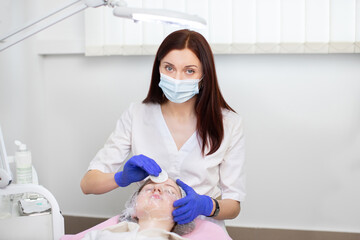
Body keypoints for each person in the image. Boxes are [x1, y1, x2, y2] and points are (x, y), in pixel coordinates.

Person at [81, 29, 246, 231]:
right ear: (158, 67)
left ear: (204, 75)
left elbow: (234, 204)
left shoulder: (228, 124)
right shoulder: (137, 115)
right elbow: (88, 184)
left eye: (189, 71)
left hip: (204, 228)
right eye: (169, 68)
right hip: (148, 226)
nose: (177, 78)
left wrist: (206, 205)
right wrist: (121, 177)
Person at [81, 178, 194, 240]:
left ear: (182, 213)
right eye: (148, 188)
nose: (157, 188)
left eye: (170, 191)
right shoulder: (99, 236)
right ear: (133, 209)